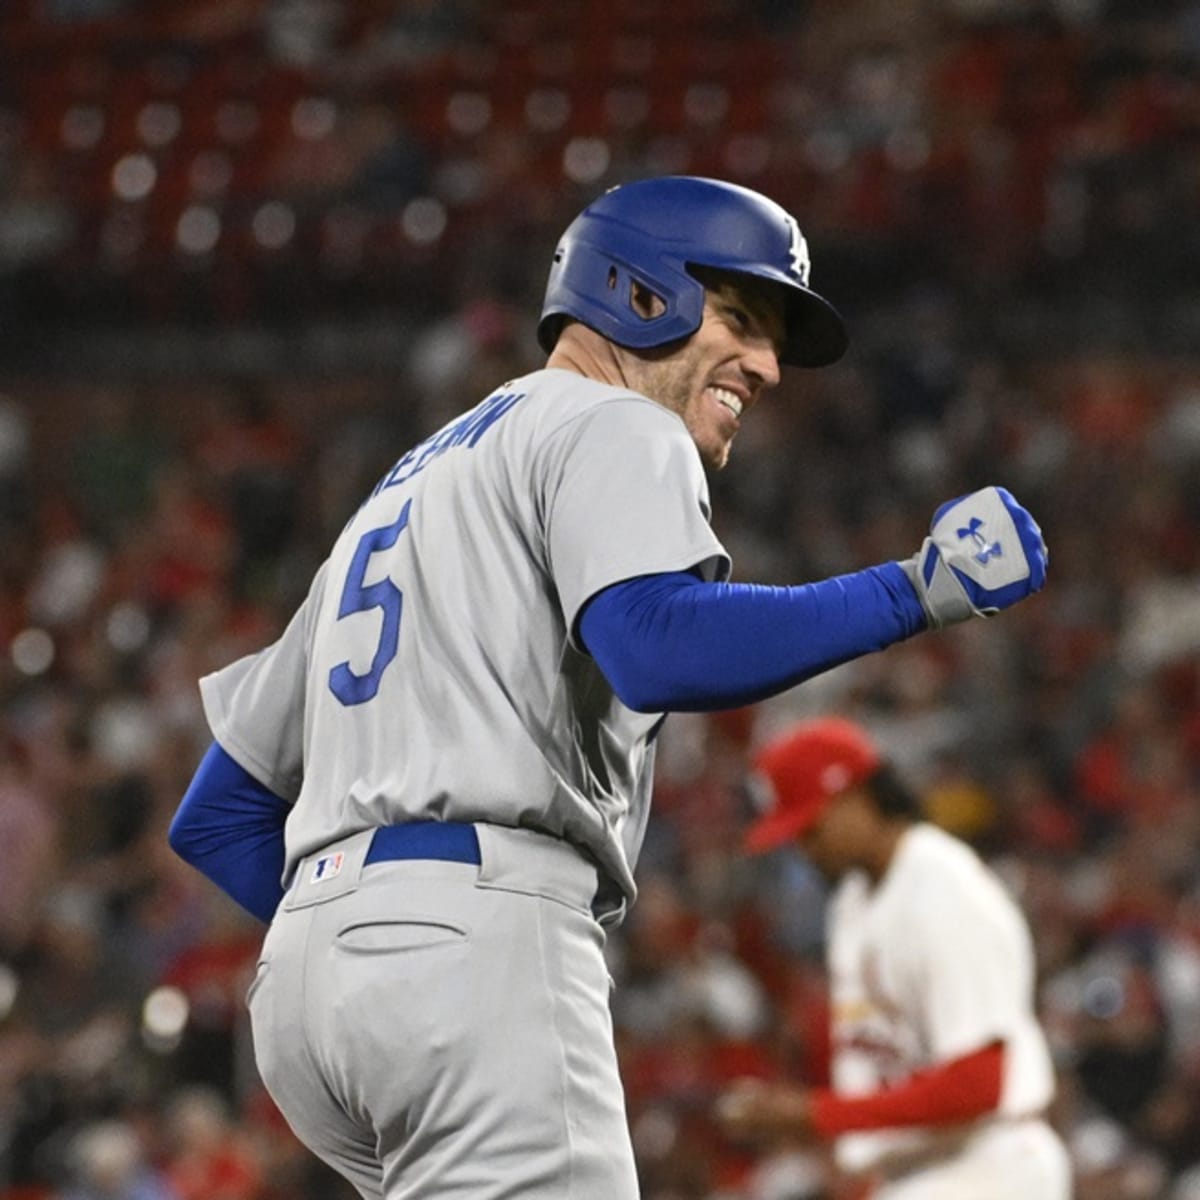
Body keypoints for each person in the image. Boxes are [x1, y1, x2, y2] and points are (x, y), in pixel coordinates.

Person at [168, 175, 1050, 1198]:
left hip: (307, 993)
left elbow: (217, 811)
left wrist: (362, 930)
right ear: (639, 297)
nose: (766, 366)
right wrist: (914, 591)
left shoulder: (400, 492)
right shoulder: (612, 420)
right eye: (740, 320)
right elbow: (656, 643)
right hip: (474, 934)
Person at [717, 716, 1072, 1199]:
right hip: (922, 1171)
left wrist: (815, 1115)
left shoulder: (945, 890)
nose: (804, 847)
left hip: (990, 1163)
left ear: (858, 798)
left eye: (811, 826)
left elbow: (979, 1084)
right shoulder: (852, 902)